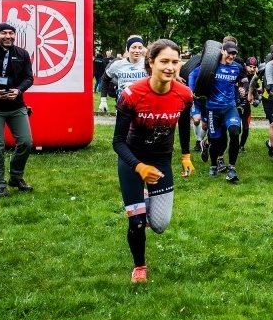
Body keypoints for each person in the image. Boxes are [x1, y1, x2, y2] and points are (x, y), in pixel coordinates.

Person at [112, 39, 194, 283]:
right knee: (137, 222)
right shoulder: (131, 95)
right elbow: (117, 141)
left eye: (175, 62)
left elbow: (184, 126)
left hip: (160, 160)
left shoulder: (184, 94)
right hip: (132, 160)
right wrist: (139, 167)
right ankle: (140, 266)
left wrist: (186, 156)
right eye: (164, 61)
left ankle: (145, 199)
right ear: (151, 63)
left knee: (159, 225)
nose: (170, 67)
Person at [0, 22, 34, 197]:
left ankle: (16, 177)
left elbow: (29, 77)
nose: (8, 36)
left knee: (26, 142)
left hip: (16, 106)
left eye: (11, 33)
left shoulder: (22, 54)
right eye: (4, 33)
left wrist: (18, 90)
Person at [188, 41, 245, 182]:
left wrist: (244, 87)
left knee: (234, 132)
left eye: (234, 53)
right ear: (222, 51)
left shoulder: (237, 67)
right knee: (215, 140)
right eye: (229, 53)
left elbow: (244, 80)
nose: (231, 56)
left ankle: (231, 167)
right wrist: (191, 90)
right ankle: (213, 165)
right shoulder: (211, 66)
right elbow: (193, 75)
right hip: (213, 109)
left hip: (229, 107)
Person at [99, 36, 147, 112]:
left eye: (140, 48)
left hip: (143, 107)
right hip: (123, 107)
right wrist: (103, 100)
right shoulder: (117, 64)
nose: (137, 50)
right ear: (128, 49)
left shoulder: (148, 64)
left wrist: (134, 87)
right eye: (133, 47)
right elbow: (105, 79)